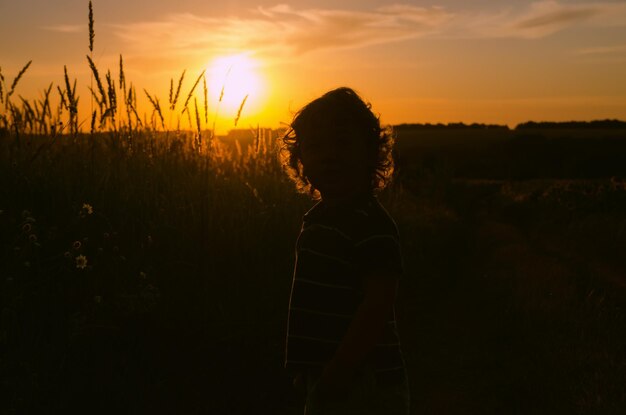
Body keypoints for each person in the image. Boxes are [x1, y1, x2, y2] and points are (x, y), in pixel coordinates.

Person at [281, 87, 410, 414]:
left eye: (342, 143)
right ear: (301, 160)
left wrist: (340, 370)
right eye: (316, 146)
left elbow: (379, 302)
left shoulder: (370, 223)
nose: (330, 155)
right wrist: (307, 368)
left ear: (371, 153)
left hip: (363, 380)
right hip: (328, 374)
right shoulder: (320, 219)